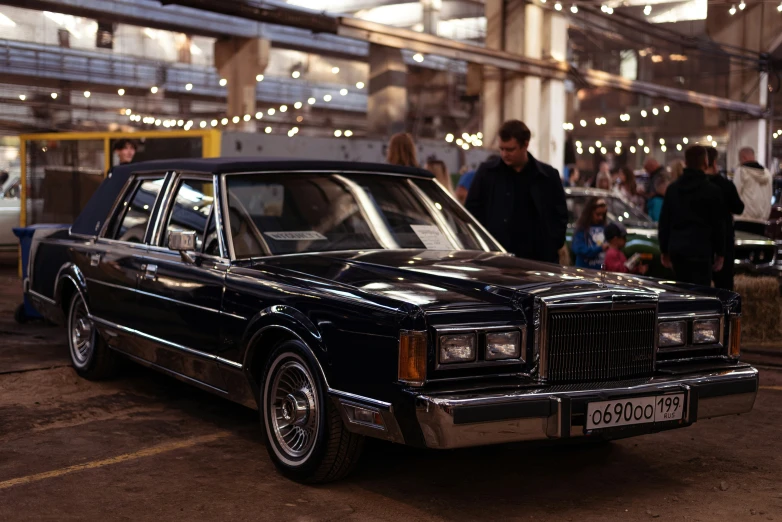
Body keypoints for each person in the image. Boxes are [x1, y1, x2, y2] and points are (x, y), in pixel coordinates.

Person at [465, 119, 568, 263]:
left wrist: (553, 243)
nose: (505, 154)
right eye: (501, 149)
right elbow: (472, 211)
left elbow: (560, 214)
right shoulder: (487, 173)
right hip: (495, 258)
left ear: (525, 144)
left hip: (537, 259)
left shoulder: (547, 176)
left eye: (510, 149)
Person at [658, 145, 725, 287]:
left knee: (680, 292)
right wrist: (720, 252)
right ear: (706, 162)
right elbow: (719, 224)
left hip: (678, 250)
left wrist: (664, 249)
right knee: (701, 294)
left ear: (686, 162)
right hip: (702, 250)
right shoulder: (713, 191)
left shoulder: (673, 189)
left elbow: (664, 222)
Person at [706, 147, 744, 290]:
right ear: (714, 162)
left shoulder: (692, 185)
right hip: (724, 240)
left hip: (700, 242)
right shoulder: (725, 185)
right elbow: (739, 208)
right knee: (725, 287)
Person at [734, 146, 772, 221]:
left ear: (743, 157)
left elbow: (735, 195)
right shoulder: (767, 173)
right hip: (763, 220)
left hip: (744, 220)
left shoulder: (741, 171)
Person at [572, 197, 609, 269]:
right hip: (585, 271)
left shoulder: (605, 227)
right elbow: (579, 249)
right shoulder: (582, 228)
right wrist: (600, 248)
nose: (601, 218)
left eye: (603, 215)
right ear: (590, 212)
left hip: (601, 272)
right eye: (598, 214)